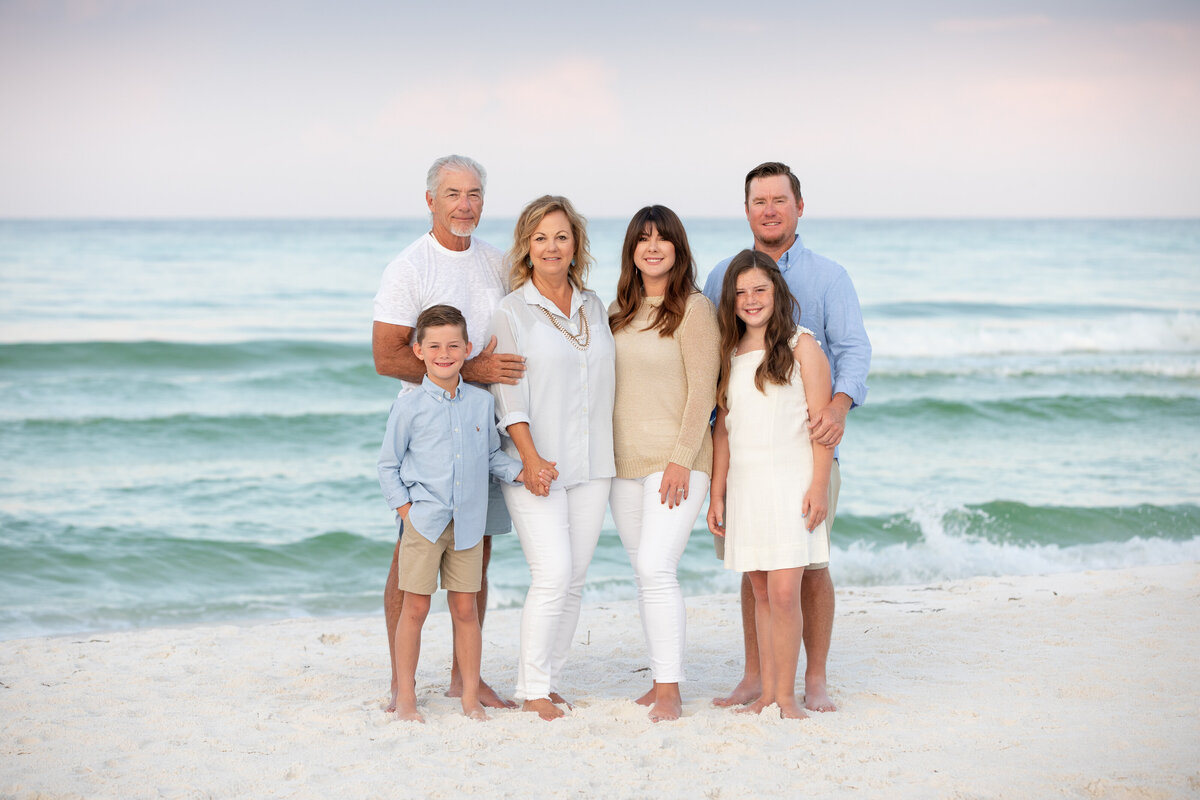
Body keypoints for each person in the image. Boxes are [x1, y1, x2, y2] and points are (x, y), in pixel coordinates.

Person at [702, 161, 871, 713]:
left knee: (808, 570)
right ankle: (759, 679)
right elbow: (712, 361)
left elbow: (852, 351)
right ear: (747, 209)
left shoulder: (828, 278)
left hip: (806, 455)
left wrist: (839, 407)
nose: (769, 210)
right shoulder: (722, 275)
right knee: (758, 574)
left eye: (780, 200)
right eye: (759, 201)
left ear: (799, 206)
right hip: (748, 463)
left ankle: (812, 679)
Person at [373, 155, 526, 712]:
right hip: (430, 434)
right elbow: (387, 357)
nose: (466, 205)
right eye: (454, 194)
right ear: (431, 200)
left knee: (476, 556)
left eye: (475, 194)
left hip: (483, 428)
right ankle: (401, 682)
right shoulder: (410, 267)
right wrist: (471, 371)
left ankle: (468, 679)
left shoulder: (498, 261)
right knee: (408, 567)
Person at [490, 195, 616, 721]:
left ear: (576, 245)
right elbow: (507, 394)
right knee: (553, 573)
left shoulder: (594, 305)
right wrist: (531, 458)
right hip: (535, 466)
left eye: (561, 236)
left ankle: (547, 680)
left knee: (576, 577)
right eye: (540, 237)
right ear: (526, 245)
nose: (551, 246)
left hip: (593, 464)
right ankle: (532, 689)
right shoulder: (511, 310)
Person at [377, 305, 528, 722]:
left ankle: (468, 697)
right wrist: (406, 510)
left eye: (453, 345)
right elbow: (388, 466)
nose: (444, 353)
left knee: (465, 609)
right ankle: (405, 696)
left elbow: (493, 457)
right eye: (435, 346)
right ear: (419, 351)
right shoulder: (408, 407)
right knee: (416, 609)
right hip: (424, 523)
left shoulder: (481, 403)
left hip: (468, 525)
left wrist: (526, 473)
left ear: (468, 349)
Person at [707, 251, 833, 719]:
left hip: (791, 483)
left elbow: (822, 427)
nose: (751, 300)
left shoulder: (803, 347)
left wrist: (818, 487)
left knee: (785, 592)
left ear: (777, 291)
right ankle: (767, 693)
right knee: (760, 591)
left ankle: (786, 696)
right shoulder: (730, 351)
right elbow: (722, 429)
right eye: (740, 292)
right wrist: (717, 493)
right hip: (746, 485)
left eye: (760, 289)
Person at [607, 206, 719, 722]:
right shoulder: (617, 311)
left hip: (679, 461)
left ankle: (671, 689)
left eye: (662, 239)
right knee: (643, 572)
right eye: (643, 239)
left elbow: (704, 391)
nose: (652, 248)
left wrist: (680, 459)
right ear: (632, 249)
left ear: (678, 247)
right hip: (623, 464)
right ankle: (658, 680)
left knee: (657, 567)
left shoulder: (694, 309)